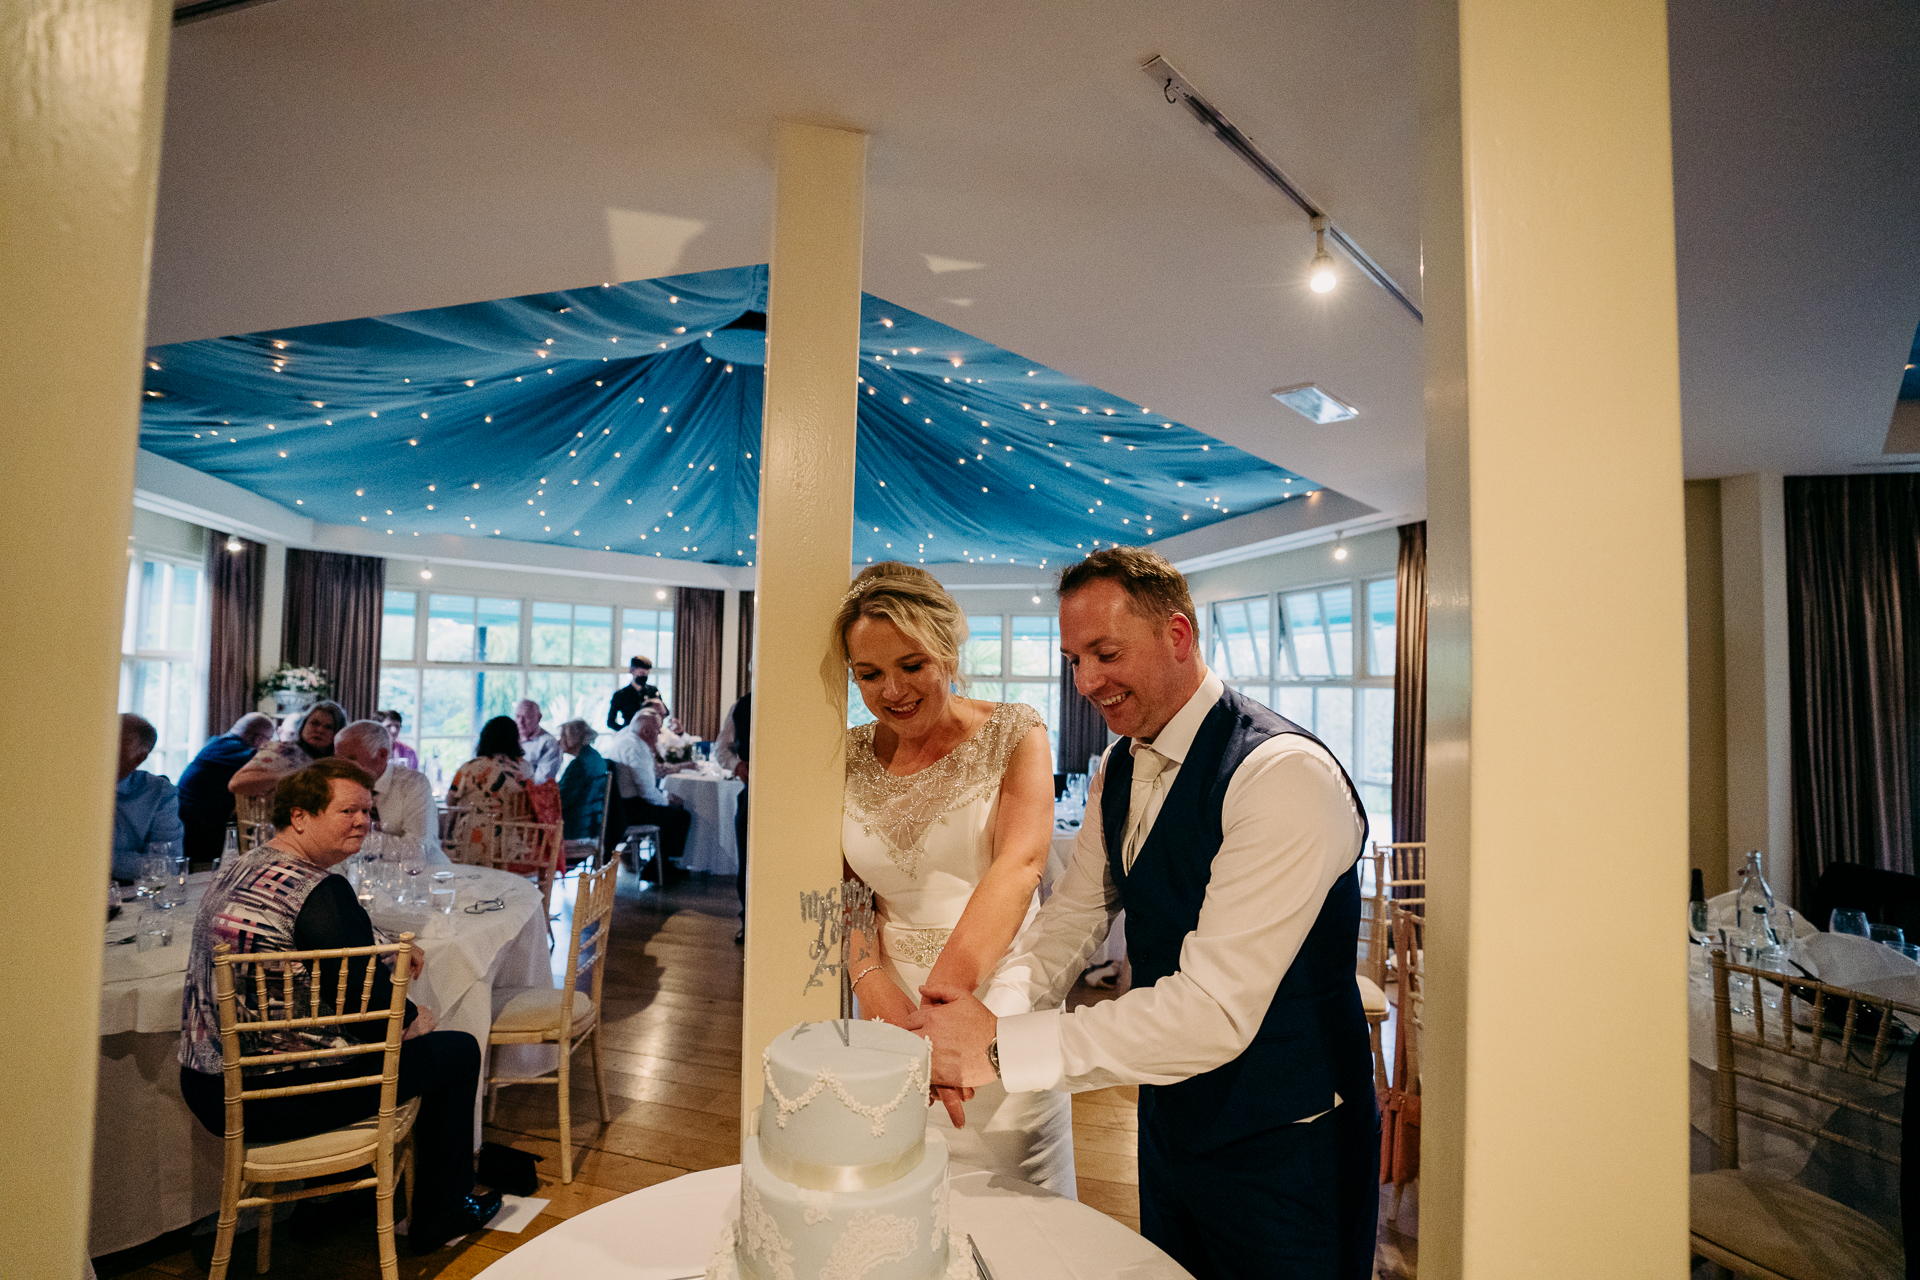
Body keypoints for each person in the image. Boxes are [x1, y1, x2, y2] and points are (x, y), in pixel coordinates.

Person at [907, 548, 1377, 1280]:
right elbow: (1072, 918)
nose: (1086, 681)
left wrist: (1000, 1047)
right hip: (1168, 1122)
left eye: (1105, 653)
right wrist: (977, 1025)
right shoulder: (1119, 764)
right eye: (1073, 659)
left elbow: (1212, 1011)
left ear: (1179, 636)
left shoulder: (1282, 776)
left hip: (1290, 1143)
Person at [175, 758, 501, 1254]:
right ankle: (442, 1212)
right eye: (347, 810)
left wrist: (383, 943)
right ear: (300, 816)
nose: (362, 822)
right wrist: (416, 1020)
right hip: (271, 1095)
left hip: (208, 1082)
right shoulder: (322, 890)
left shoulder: (246, 864)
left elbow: (316, 942)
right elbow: (372, 1019)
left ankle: (333, 1200)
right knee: (455, 1051)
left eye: (367, 812)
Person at [830, 562, 1074, 1194]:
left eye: (912, 666)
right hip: (890, 1003)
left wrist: (946, 1014)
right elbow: (848, 892)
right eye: (870, 673)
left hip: (1000, 992)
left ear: (947, 650)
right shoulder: (844, 752)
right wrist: (875, 989)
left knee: (1010, 1196)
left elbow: (1019, 869)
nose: (893, 691)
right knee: (897, 1195)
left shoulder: (1014, 733)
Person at [334, 719, 445, 864]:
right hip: (367, 876)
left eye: (351, 759)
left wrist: (356, 840)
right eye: (338, 759)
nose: (341, 767)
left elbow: (417, 849)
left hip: (424, 875)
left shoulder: (413, 784)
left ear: (382, 755)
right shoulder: (339, 785)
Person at [600, 710, 692, 877]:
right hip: (629, 810)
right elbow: (647, 791)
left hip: (616, 806)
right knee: (680, 816)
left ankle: (658, 866)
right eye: (658, 729)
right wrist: (668, 802)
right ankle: (660, 869)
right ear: (646, 732)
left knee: (671, 812)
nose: (659, 733)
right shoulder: (638, 748)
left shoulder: (623, 740)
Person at [176, 712, 274, 864]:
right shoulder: (233, 750)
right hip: (197, 830)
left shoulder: (218, 743)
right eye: (268, 740)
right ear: (259, 739)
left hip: (191, 822)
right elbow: (270, 765)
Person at [112, 713, 185, 882]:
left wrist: (105, 860)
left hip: (126, 894)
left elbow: (169, 865)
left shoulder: (159, 794)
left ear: (139, 758)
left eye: (114, 745)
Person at [445, 716, 529, 858]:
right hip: (508, 849)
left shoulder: (469, 768)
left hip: (468, 844)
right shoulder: (523, 770)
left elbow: (449, 802)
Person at [230, 699, 347, 797]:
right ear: (303, 725)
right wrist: (292, 778)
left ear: (337, 733)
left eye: (328, 727)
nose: (320, 730)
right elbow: (236, 783)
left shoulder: (338, 765)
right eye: (314, 723)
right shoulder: (281, 750)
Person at [714, 691, 750, 943]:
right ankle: (748, 920)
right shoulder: (743, 705)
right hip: (753, 794)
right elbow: (722, 748)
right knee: (747, 861)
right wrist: (737, 765)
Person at [556, 719, 609, 844]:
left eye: (562, 736)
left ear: (572, 738)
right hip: (593, 829)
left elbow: (561, 800)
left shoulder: (579, 765)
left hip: (575, 831)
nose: (559, 741)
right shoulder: (595, 758)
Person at [513, 699, 561, 784]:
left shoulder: (548, 743)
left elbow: (542, 781)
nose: (520, 722)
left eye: (526, 717)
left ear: (539, 717)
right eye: (518, 716)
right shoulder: (510, 739)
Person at [606, 656, 658, 731]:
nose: (644, 676)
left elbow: (663, 712)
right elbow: (610, 722)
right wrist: (626, 731)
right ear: (632, 670)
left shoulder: (653, 691)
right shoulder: (621, 694)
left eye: (647, 673)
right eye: (641, 673)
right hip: (629, 733)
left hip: (650, 733)